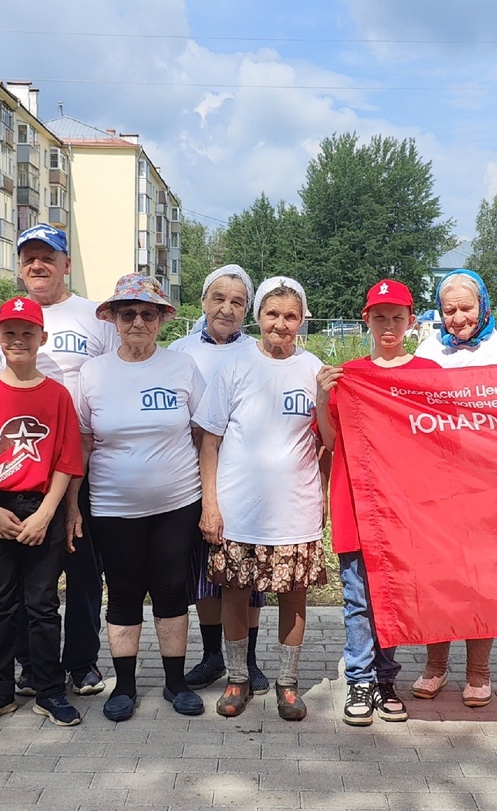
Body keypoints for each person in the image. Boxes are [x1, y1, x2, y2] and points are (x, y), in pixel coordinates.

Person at [0, 223, 115, 698]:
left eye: (47, 257)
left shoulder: (93, 317)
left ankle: (80, 662)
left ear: (66, 265)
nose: (37, 266)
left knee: (81, 569)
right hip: (21, 467)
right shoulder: (3, 321)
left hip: (84, 463)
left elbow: (115, 378)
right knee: (22, 578)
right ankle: (27, 662)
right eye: (28, 258)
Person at [68, 274, 207, 721]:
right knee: (124, 593)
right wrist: (72, 504)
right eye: (128, 314)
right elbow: (83, 442)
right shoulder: (94, 373)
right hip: (112, 507)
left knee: (171, 590)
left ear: (162, 319)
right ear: (112, 319)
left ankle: (175, 682)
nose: (138, 322)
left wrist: (212, 499)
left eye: (148, 313)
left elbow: (203, 434)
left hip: (177, 504)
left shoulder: (182, 367)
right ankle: (124, 687)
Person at [194, 276, 328, 721]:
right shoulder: (235, 367)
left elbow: (328, 440)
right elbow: (209, 441)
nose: (281, 324)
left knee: (293, 596)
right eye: (272, 314)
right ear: (259, 318)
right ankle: (237, 679)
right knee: (235, 592)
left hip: (296, 508)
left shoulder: (314, 370)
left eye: (291, 316)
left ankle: (288, 684)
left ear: (302, 321)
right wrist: (210, 505)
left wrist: (327, 400)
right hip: (239, 510)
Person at [316, 279, 439, 727]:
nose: (388, 326)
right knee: (358, 598)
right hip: (358, 507)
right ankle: (360, 681)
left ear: (412, 321)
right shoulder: (349, 375)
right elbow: (331, 442)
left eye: (397, 317)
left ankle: (386, 678)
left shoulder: (428, 374)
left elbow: (445, 443)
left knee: (394, 598)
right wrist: (322, 398)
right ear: (366, 319)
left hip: (405, 510)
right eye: (379, 317)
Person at [0, 297, 85, 728]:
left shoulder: (56, 396)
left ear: (42, 338)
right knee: (0, 605)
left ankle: (49, 689)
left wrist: (47, 513)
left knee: (43, 605)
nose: (18, 340)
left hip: (39, 509)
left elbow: (67, 461)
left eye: (27, 333)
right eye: (9, 333)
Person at [412, 269, 497, 707]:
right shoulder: (427, 350)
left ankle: (478, 671)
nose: (458, 317)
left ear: (483, 304)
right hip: (437, 482)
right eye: (449, 309)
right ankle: (434, 666)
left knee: (482, 577)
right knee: (438, 575)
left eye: (466, 307)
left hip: (489, 483)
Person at [167, 264, 270, 694]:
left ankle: (246, 658)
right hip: (195, 476)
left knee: (249, 575)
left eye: (237, 302)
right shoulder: (181, 351)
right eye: (218, 299)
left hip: (248, 479)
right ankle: (213, 655)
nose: (226, 309)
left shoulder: (257, 352)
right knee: (207, 571)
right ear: (204, 301)